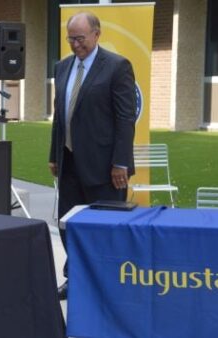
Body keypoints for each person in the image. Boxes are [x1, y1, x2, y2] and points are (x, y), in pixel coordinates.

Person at [49, 11, 137, 300]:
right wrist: (54, 155)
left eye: (80, 38)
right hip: (69, 163)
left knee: (105, 230)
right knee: (68, 225)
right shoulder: (62, 67)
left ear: (97, 34)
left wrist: (120, 162)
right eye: (70, 39)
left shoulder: (116, 66)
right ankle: (74, 278)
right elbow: (59, 118)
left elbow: (125, 118)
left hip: (106, 168)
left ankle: (106, 285)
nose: (75, 45)